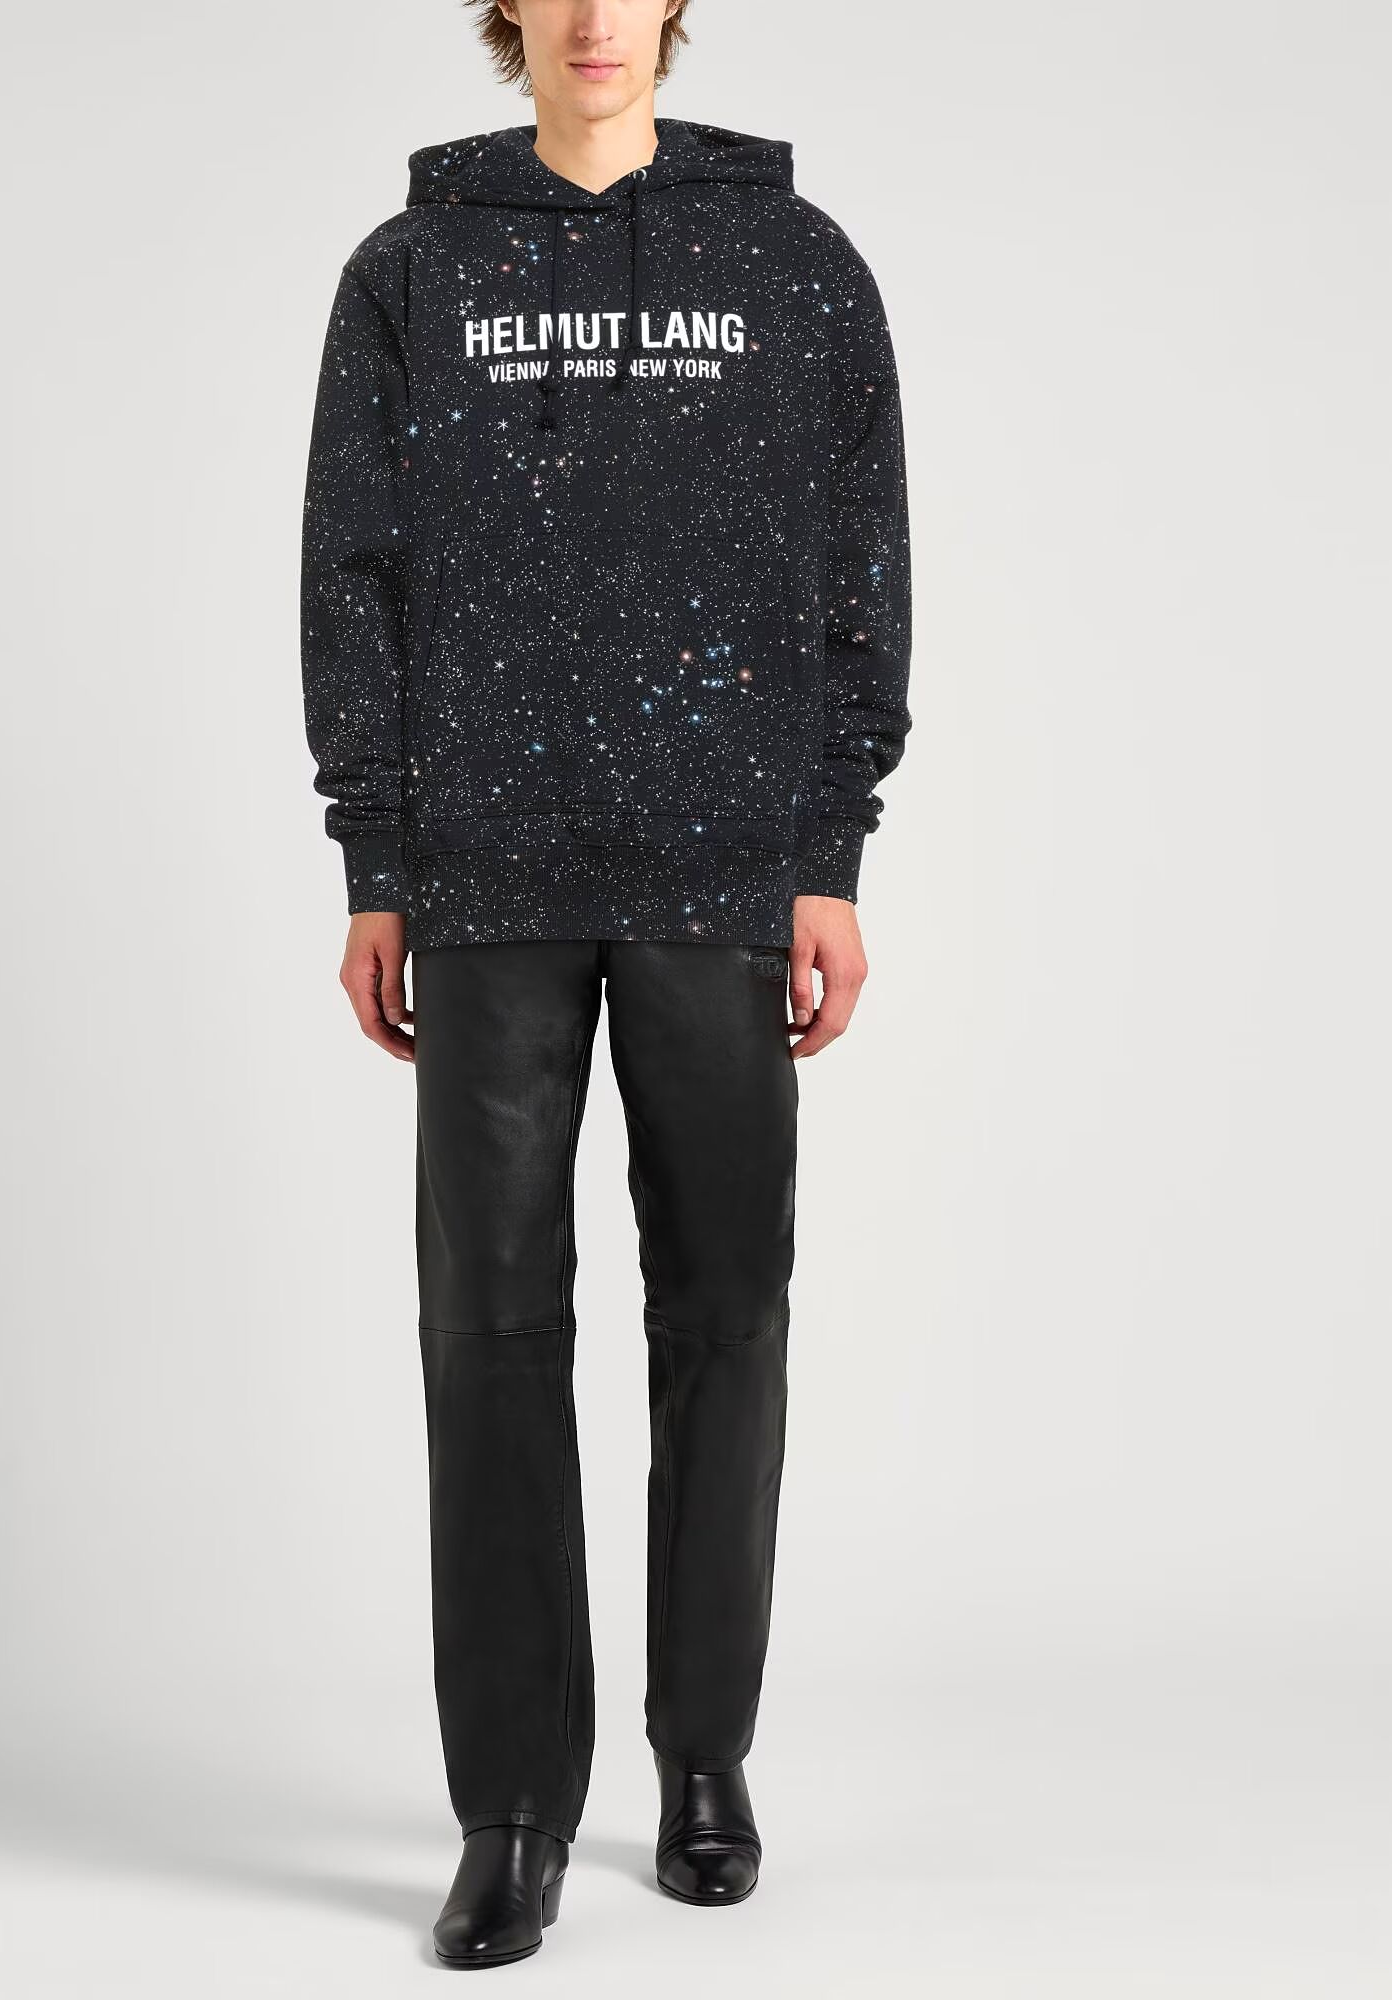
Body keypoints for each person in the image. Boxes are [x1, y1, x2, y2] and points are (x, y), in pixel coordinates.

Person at [299, 0, 912, 1969]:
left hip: (721, 867)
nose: (586, 17)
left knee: (725, 1312)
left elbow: (858, 560)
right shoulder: (411, 273)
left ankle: (704, 1754)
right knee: (488, 1329)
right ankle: (512, 1808)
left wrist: (826, 849)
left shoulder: (794, 266)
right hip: (484, 877)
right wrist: (378, 856)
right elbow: (355, 572)